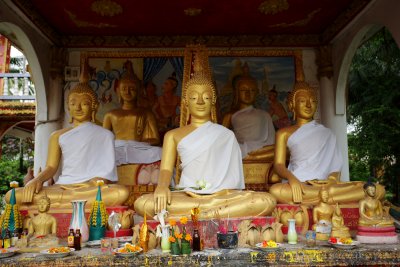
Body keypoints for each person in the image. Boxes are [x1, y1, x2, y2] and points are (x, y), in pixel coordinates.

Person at [134, 51, 276, 218]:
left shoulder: (226, 135)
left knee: (266, 201)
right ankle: (211, 213)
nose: (200, 102)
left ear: (213, 101)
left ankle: (203, 212)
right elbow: (165, 169)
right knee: (143, 204)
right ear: (186, 102)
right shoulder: (172, 135)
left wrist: (219, 195)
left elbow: (233, 185)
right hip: (188, 195)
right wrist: (163, 186)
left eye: (206, 98)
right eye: (194, 98)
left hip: (221, 197)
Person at [5, 64, 129, 209]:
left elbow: (105, 174)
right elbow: (51, 167)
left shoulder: (105, 134)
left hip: (90, 188)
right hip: (63, 187)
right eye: (73, 103)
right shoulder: (57, 135)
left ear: (94, 108)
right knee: (12, 195)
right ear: (68, 107)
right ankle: (72, 202)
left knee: (121, 193)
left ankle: (63, 203)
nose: (78, 108)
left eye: (84, 104)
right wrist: (36, 180)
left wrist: (91, 184)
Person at [269, 81, 385, 204]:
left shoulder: (327, 133)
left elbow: (335, 166)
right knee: (275, 191)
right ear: (292, 105)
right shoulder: (283, 133)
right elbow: (279, 165)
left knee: (377, 190)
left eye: (313, 101)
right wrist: (292, 180)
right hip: (300, 185)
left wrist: (332, 179)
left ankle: (323, 198)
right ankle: (329, 199)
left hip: (325, 186)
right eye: (302, 101)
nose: (308, 105)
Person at [103, 60, 162, 168]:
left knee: (159, 152)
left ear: (139, 91)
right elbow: (104, 140)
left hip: (139, 149)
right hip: (118, 149)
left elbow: (156, 139)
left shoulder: (146, 113)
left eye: (132, 89)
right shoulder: (110, 114)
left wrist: (137, 144)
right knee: (103, 154)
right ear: (118, 91)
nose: (127, 92)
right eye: (124, 89)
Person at [222, 63, 275, 160]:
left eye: (252, 90)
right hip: (240, 149)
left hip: (262, 150)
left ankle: (253, 156)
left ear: (256, 92)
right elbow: (222, 139)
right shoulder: (230, 115)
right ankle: (251, 156)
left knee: (281, 149)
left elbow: (271, 140)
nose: (247, 93)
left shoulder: (264, 114)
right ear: (237, 93)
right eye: (243, 90)